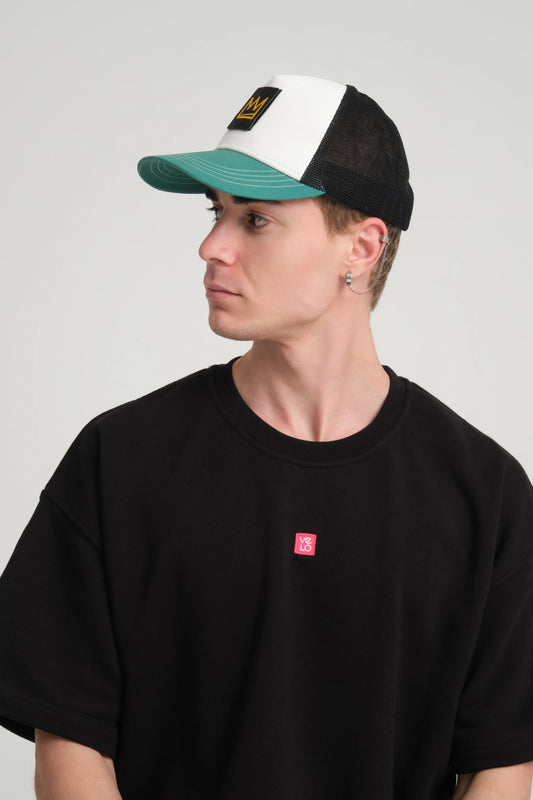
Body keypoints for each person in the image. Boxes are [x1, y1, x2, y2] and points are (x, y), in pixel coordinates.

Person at [0, 74, 532, 800]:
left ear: (361, 247)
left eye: (255, 219)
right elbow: (68, 740)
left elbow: (501, 760)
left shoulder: (483, 492)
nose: (210, 246)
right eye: (215, 211)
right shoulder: (121, 459)